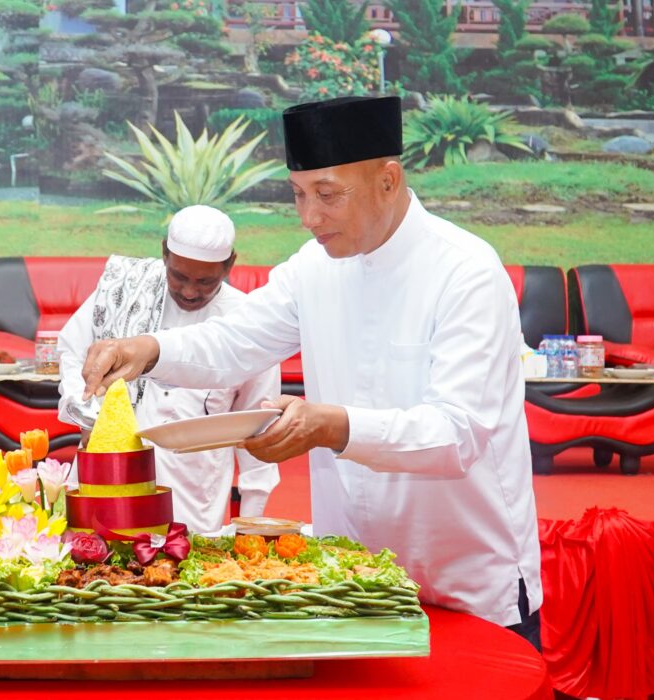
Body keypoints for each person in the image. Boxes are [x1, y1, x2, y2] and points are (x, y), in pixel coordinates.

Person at [78, 96, 543, 649]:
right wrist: (149, 349)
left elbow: (457, 434)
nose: (309, 217)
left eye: (327, 195)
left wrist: (328, 426)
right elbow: (237, 339)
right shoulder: (313, 266)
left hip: (463, 577)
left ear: (388, 181)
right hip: (351, 580)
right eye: (299, 195)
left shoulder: (465, 271)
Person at [58, 205, 281, 535]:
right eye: (179, 276)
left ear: (230, 264)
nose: (190, 291)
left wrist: (251, 521)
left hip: (193, 490)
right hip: (110, 473)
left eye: (205, 281)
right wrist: (90, 415)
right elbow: (73, 350)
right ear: (164, 253)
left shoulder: (246, 322)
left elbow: (258, 426)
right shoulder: (126, 291)